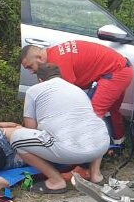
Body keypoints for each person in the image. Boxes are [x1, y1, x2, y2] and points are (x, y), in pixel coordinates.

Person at [19, 40, 132, 183]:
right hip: (120, 69)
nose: (31, 71)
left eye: (30, 67)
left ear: (39, 58)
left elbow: (66, 102)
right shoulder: (53, 54)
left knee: (90, 117)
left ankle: (83, 167)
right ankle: (119, 145)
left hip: (115, 72)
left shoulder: (58, 63)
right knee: (113, 110)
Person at [12, 64, 109, 194]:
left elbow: (31, 129)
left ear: (40, 79)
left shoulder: (33, 91)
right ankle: (96, 175)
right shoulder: (76, 89)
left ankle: (56, 181)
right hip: (100, 146)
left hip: (67, 151)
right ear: (59, 76)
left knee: (17, 139)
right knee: (93, 126)